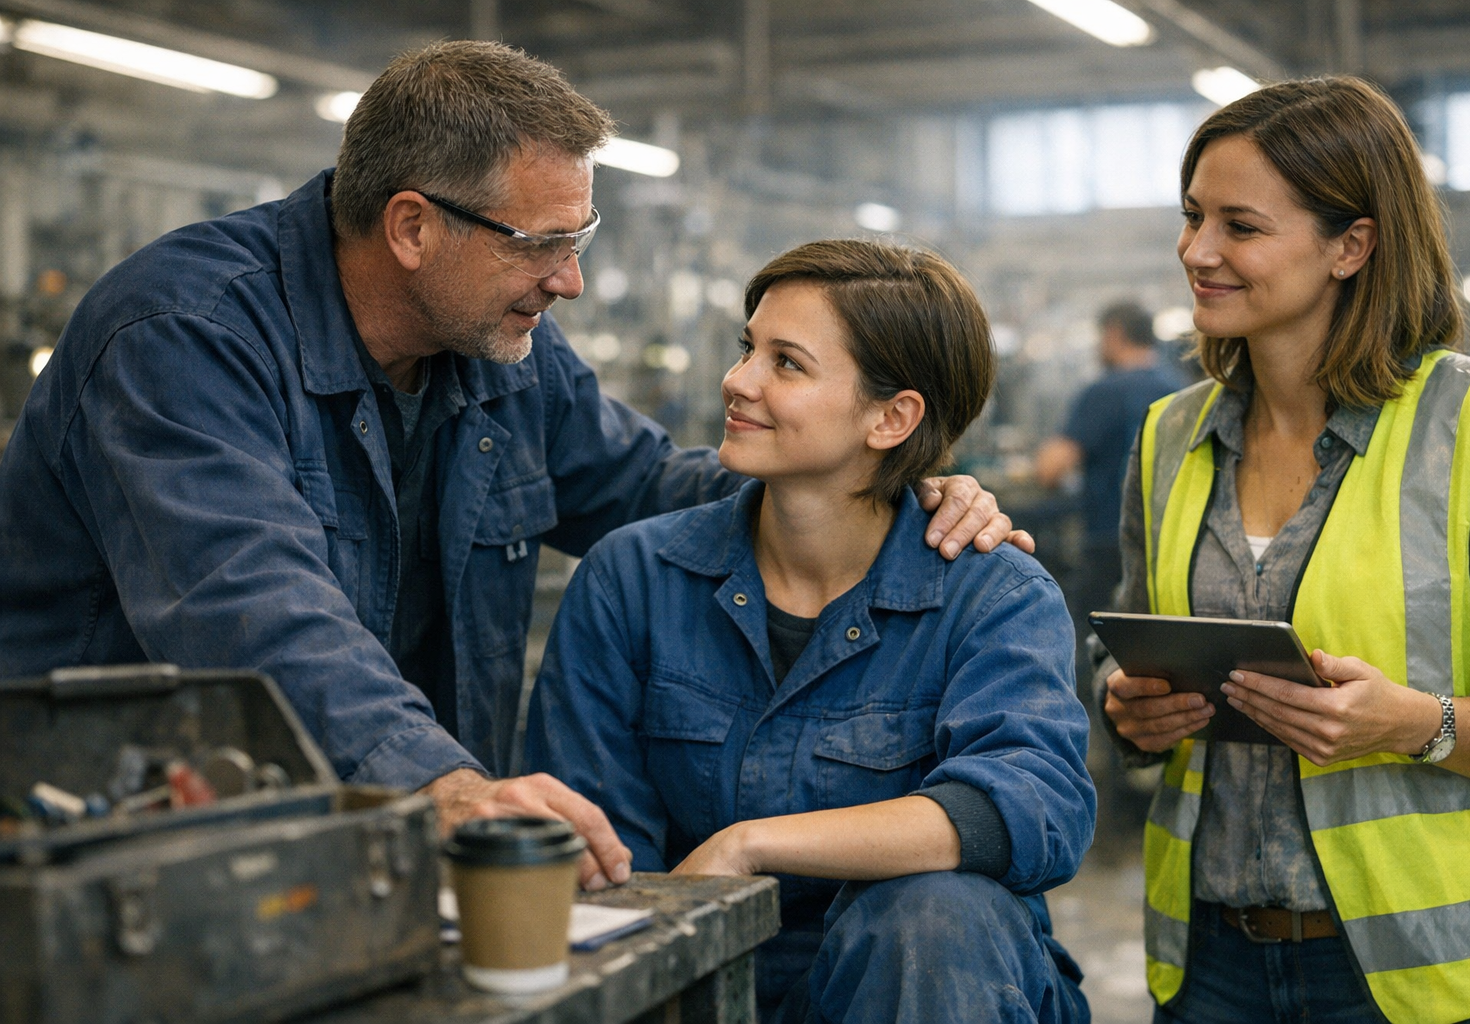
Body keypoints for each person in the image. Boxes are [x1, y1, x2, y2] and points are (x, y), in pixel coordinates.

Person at [0, 41, 1028, 890]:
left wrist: (883, 486)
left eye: (579, 237)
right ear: (412, 227)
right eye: (542, 242)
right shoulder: (183, 337)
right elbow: (254, 614)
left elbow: (654, 489)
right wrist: (445, 783)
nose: (569, 280)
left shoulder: (499, 355)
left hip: (338, 834)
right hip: (103, 839)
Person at [526, 240, 1094, 1024]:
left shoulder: (991, 595)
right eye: (746, 348)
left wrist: (752, 843)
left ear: (892, 418)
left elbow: (1030, 807)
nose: (738, 381)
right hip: (700, 979)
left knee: (939, 911)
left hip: (930, 987)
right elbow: (599, 861)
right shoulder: (632, 579)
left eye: (786, 363)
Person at [1097, 77, 1470, 1024]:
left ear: (1352, 244)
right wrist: (1126, 706)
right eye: (1191, 217)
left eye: (1241, 227)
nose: (1197, 253)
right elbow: (1124, 646)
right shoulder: (1167, 437)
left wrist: (1418, 722)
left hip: (1428, 976)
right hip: (1208, 962)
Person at [1034, 303, 1186, 679]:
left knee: (1097, 647)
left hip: (1109, 540)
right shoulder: (1181, 390)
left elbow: (1051, 469)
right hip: (1172, 545)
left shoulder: (1105, 391)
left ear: (1114, 333)